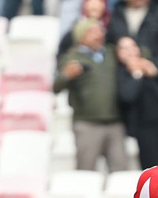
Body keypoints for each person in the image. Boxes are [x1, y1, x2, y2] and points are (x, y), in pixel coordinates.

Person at [54, 19, 129, 173]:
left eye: (100, 31)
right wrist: (66, 76)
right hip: (87, 124)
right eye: (92, 31)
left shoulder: (111, 53)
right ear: (81, 36)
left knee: (121, 170)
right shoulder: (71, 57)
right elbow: (56, 87)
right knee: (85, 171)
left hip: (115, 122)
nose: (98, 35)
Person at [116, 36, 158, 168]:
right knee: (150, 168)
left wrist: (155, 72)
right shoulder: (120, 73)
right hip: (144, 129)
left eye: (133, 46)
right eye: (125, 48)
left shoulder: (149, 63)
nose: (130, 51)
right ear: (118, 53)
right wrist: (137, 74)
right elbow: (127, 96)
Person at [106, 0, 158, 71]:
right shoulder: (116, 13)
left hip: (152, 71)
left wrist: (155, 64)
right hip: (122, 71)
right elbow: (110, 41)